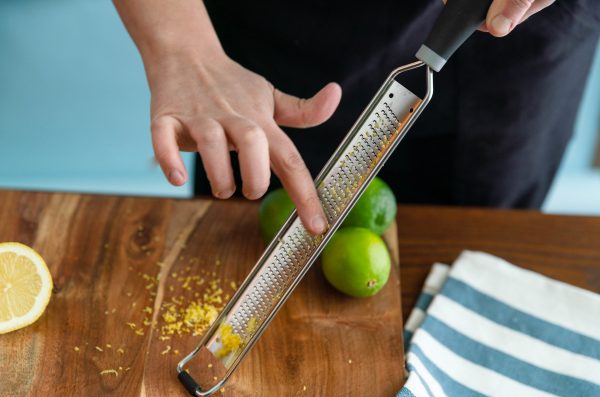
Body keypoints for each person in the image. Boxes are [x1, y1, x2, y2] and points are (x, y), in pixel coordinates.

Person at [113, 0, 599, 236]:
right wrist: (183, 47)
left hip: (526, 46)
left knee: (479, 246)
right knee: (259, 227)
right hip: (294, 35)